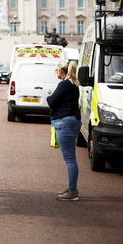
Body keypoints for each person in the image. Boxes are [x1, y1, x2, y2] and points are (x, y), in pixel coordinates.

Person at [48, 60, 81, 201]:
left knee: (70, 159)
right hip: (70, 121)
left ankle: (72, 191)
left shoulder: (65, 84)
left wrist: (50, 97)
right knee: (70, 159)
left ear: (61, 71)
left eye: (57, 71)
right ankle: (70, 188)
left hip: (64, 122)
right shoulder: (73, 84)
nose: (56, 73)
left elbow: (51, 100)